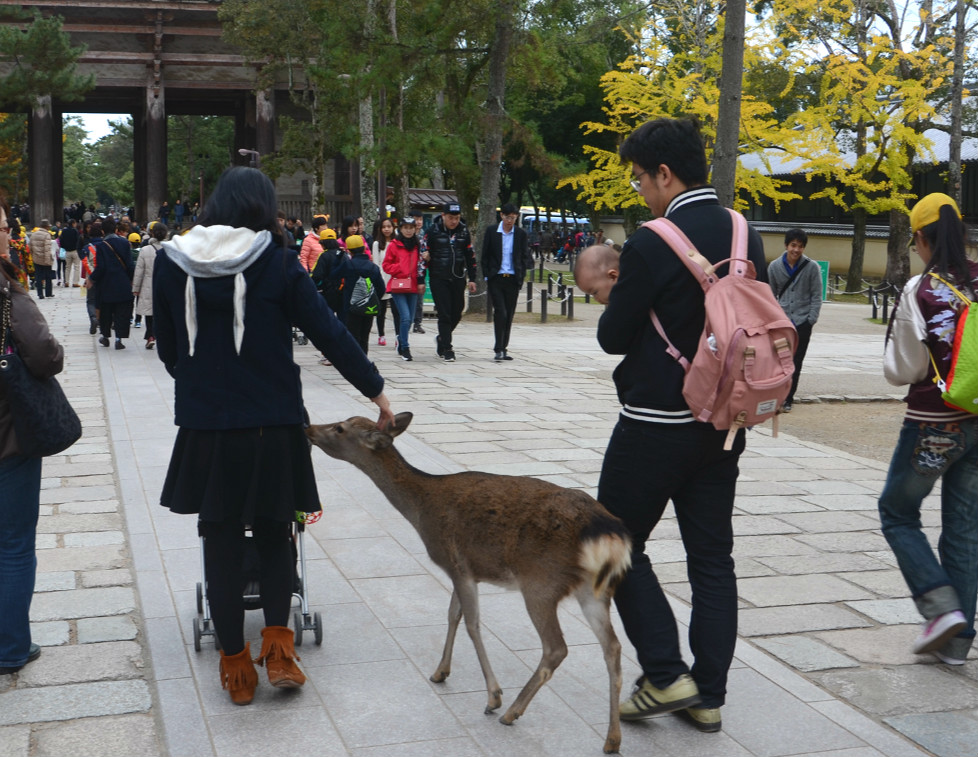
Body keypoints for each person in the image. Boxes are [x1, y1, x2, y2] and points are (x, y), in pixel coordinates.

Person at [153, 166, 394, 706]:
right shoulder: (280, 263)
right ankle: (280, 652)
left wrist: (204, 387)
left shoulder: (173, 264)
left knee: (218, 538)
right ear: (262, 208)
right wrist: (375, 392)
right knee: (273, 532)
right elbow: (329, 332)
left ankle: (236, 668)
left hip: (207, 427)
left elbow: (169, 348)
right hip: (271, 423)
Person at [590, 117, 768, 735]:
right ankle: (708, 694)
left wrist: (615, 296)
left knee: (607, 540)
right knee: (712, 557)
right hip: (724, 423)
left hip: (654, 425)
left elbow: (613, 338)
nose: (639, 189)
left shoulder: (650, 241)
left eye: (640, 178)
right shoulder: (746, 232)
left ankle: (665, 673)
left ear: (665, 173)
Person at [879, 192, 978, 667]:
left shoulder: (921, 288)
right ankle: (958, 645)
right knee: (964, 526)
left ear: (920, 238)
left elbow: (901, 369)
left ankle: (939, 609)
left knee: (897, 512)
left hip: (935, 423)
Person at [0, 201, 64, 675]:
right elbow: (44, 355)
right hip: (8, 436)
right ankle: (9, 648)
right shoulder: (5, 291)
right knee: (14, 543)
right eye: (4, 228)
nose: (9, 235)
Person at [767, 228, 822, 413]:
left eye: (800, 246)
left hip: (802, 322)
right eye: (793, 245)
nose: (796, 250)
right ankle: (776, 397)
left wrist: (810, 320)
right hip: (781, 322)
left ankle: (788, 398)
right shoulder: (774, 267)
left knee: (796, 362)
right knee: (778, 360)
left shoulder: (811, 267)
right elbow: (770, 295)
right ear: (786, 245)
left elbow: (816, 295)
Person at [425, 203, 476, 361]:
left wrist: (473, 278)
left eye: (457, 218)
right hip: (438, 277)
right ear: (443, 216)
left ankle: (442, 338)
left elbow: (470, 256)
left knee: (457, 311)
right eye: (451, 218)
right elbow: (423, 252)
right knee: (444, 313)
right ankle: (447, 348)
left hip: (458, 277)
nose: (454, 221)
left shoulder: (463, 231)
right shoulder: (432, 231)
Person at [481, 202, 532, 361]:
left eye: (513, 218)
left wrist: (521, 276)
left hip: (512, 278)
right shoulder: (492, 231)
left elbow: (524, 256)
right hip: (496, 277)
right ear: (502, 216)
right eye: (508, 217)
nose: (510, 220)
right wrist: (487, 275)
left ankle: (504, 347)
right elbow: (485, 255)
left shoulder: (520, 234)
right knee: (500, 312)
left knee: (509, 314)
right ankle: (498, 348)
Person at [89, 218, 135, 350]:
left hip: (107, 284)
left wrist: (92, 279)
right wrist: (132, 280)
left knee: (106, 312)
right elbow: (130, 265)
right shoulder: (125, 243)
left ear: (103, 231)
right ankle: (119, 339)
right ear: (116, 229)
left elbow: (101, 267)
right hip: (123, 283)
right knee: (121, 312)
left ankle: (105, 336)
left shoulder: (102, 246)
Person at [382, 216, 421, 361]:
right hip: (398, 285)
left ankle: (400, 341)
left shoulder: (418, 244)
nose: (409, 231)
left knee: (410, 319)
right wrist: (400, 268)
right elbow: (386, 265)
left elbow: (422, 263)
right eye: (406, 228)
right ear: (401, 229)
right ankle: (405, 346)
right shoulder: (394, 244)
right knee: (404, 318)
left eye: (411, 228)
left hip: (414, 286)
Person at [338, 234, 385, 354]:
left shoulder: (348, 265)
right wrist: (373, 298)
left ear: (349, 251)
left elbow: (333, 275)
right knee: (365, 336)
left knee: (353, 336)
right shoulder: (373, 267)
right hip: (368, 305)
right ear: (364, 249)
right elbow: (381, 287)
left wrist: (339, 257)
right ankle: (364, 360)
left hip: (351, 306)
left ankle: (354, 361)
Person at [133, 222, 165, 350]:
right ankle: (161, 337)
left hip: (148, 284)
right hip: (164, 284)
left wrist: (136, 288)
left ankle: (151, 336)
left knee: (149, 313)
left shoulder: (145, 250)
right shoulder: (170, 248)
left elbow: (139, 270)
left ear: (151, 233)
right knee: (162, 312)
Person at [371, 217, 396, 346]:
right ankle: (381, 335)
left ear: (393, 228)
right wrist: (378, 281)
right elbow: (376, 264)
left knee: (397, 310)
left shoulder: (397, 243)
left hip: (395, 280)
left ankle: (399, 336)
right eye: (384, 227)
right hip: (381, 280)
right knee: (381, 311)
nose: (386, 229)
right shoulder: (377, 244)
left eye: (389, 226)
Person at [29, 220, 55, 300]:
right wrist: (48, 260)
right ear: (46, 227)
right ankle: (48, 293)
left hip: (36, 258)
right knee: (48, 276)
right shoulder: (47, 235)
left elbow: (30, 247)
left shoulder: (33, 234)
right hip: (45, 258)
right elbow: (47, 249)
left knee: (38, 277)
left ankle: (40, 294)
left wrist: (33, 256)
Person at [60, 219, 82, 287]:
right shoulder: (75, 231)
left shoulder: (64, 231)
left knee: (67, 267)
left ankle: (66, 281)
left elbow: (61, 241)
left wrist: (65, 247)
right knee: (76, 267)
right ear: (73, 223)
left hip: (67, 251)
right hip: (75, 251)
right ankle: (75, 282)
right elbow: (78, 240)